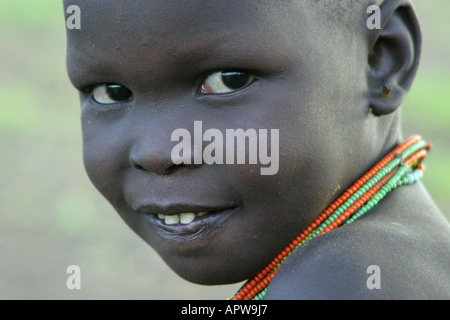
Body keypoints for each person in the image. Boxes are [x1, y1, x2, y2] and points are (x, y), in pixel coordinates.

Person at [64, 0, 450, 299]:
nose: (158, 153)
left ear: (382, 60)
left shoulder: (340, 281)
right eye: (110, 92)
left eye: (228, 81)